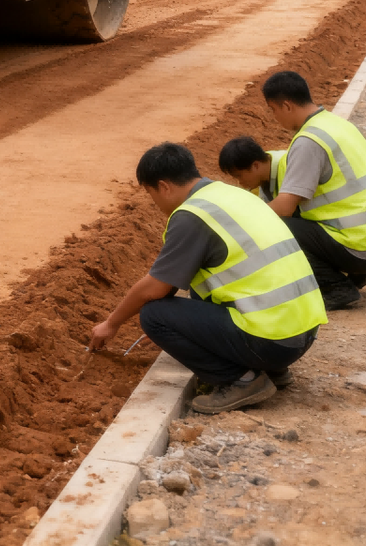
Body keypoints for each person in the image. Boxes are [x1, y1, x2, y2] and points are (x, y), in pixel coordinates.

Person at [89, 142, 326, 413]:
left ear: (164, 187)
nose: (154, 203)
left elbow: (155, 288)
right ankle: (273, 370)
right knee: (200, 292)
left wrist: (111, 324)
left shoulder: (193, 215)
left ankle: (242, 381)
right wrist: (187, 329)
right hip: (303, 332)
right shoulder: (232, 195)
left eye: (151, 193)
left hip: (273, 341)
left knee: (154, 315)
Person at [246, 71, 366, 310]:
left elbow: (284, 207)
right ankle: (354, 276)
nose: (274, 118)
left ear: (286, 106)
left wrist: (245, 220)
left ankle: (335, 287)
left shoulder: (308, 141)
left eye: (273, 110)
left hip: (357, 248)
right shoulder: (336, 124)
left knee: (276, 225)